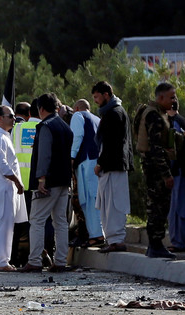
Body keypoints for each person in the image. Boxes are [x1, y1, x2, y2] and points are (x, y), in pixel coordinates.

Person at [21, 93, 73, 272]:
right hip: (64, 181)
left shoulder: (45, 126)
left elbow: (44, 154)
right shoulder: (66, 127)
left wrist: (41, 178)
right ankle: (60, 261)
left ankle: (34, 261)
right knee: (60, 222)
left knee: (36, 220)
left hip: (49, 181)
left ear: (41, 109)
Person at [0, 105, 27, 271]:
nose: (14, 119)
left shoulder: (2, 136)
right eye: (10, 116)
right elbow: (3, 164)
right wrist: (17, 181)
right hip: (3, 187)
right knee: (4, 227)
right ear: (0, 118)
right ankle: (1, 262)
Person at [138, 83, 179, 259]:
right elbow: (155, 148)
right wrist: (166, 175)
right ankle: (155, 244)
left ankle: (155, 244)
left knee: (156, 205)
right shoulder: (154, 116)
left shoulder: (155, 112)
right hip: (156, 168)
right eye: (171, 97)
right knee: (158, 206)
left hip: (152, 166)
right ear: (160, 97)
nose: (174, 100)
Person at [92, 81, 133, 253]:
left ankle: (116, 240)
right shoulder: (112, 112)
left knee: (114, 204)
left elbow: (112, 143)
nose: (95, 101)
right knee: (107, 204)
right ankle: (112, 240)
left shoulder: (114, 113)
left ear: (106, 95)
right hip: (112, 166)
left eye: (97, 96)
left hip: (113, 166)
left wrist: (100, 162)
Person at [69, 98, 103, 247]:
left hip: (86, 160)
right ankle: (97, 233)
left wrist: (71, 156)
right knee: (95, 197)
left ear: (76, 108)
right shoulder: (97, 119)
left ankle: (96, 236)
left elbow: (77, 136)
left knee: (88, 198)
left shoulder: (78, 116)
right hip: (97, 161)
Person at [166, 99, 185, 253]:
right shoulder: (183, 121)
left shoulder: (174, 123)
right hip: (182, 170)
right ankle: (178, 240)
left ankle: (179, 242)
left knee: (177, 209)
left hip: (177, 171)